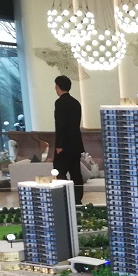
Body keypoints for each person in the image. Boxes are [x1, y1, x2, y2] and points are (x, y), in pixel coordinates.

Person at [53, 75, 84, 204]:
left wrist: (59, 145)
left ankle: (66, 196)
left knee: (59, 171)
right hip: (76, 144)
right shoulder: (76, 102)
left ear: (58, 86)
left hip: (64, 145)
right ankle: (77, 198)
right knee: (76, 172)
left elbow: (60, 125)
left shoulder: (60, 102)